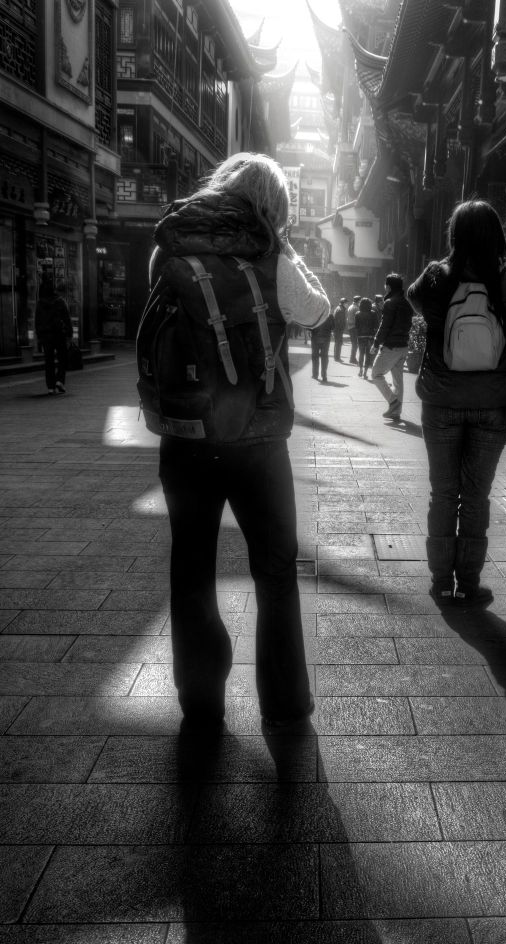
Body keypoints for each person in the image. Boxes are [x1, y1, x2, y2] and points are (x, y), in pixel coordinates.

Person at [149, 152, 330, 728]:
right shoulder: (271, 251)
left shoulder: (171, 242)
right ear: (272, 205)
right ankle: (284, 701)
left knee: (192, 567)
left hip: (187, 434)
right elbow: (316, 310)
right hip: (257, 440)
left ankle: (200, 700)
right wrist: (283, 244)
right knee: (275, 570)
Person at [407, 198, 506, 607]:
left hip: (441, 400)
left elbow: (415, 305)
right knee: (476, 495)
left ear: (454, 235)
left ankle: (441, 581)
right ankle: (470, 583)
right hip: (493, 401)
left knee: (443, 493)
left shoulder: (435, 276)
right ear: (497, 233)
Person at [370, 272, 413, 420]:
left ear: (388, 287)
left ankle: (393, 402)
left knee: (376, 374)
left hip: (392, 346)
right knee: (397, 380)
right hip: (403, 346)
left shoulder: (390, 303)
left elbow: (385, 326)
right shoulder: (407, 304)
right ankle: (396, 412)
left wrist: (376, 343)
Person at [34, 278, 72, 395]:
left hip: (46, 336)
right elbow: (67, 319)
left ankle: (50, 387)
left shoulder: (40, 303)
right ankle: (60, 381)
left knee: (49, 361)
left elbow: (37, 321)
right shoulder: (60, 301)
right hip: (59, 334)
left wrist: (39, 336)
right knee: (62, 358)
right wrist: (70, 335)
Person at [354, 297, 378, 377]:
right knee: (368, 355)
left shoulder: (357, 314)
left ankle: (360, 369)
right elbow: (376, 326)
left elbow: (356, 326)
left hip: (360, 337)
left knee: (361, 353)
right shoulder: (373, 313)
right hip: (370, 337)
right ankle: (365, 372)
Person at [311, 312, 334, 382]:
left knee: (315, 356)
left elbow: (310, 325)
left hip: (315, 337)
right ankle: (324, 375)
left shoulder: (314, 314)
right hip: (326, 338)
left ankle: (315, 374)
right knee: (324, 356)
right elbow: (333, 327)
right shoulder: (329, 315)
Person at [346, 295, 361, 363]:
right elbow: (357, 319)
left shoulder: (350, 307)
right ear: (358, 301)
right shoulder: (356, 308)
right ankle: (352, 358)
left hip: (350, 327)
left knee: (354, 344)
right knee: (355, 344)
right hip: (354, 327)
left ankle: (352, 358)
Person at [332, 297, 348, 362]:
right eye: (346, 303)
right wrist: (342, 328)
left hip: (336, 329)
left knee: (337, 343)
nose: (347, 304)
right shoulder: (341, 310)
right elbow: (340, 321)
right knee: (338, 343)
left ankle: (336, 357)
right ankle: (337, 357)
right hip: (338, 330)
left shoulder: (338, 308)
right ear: (343, 303)